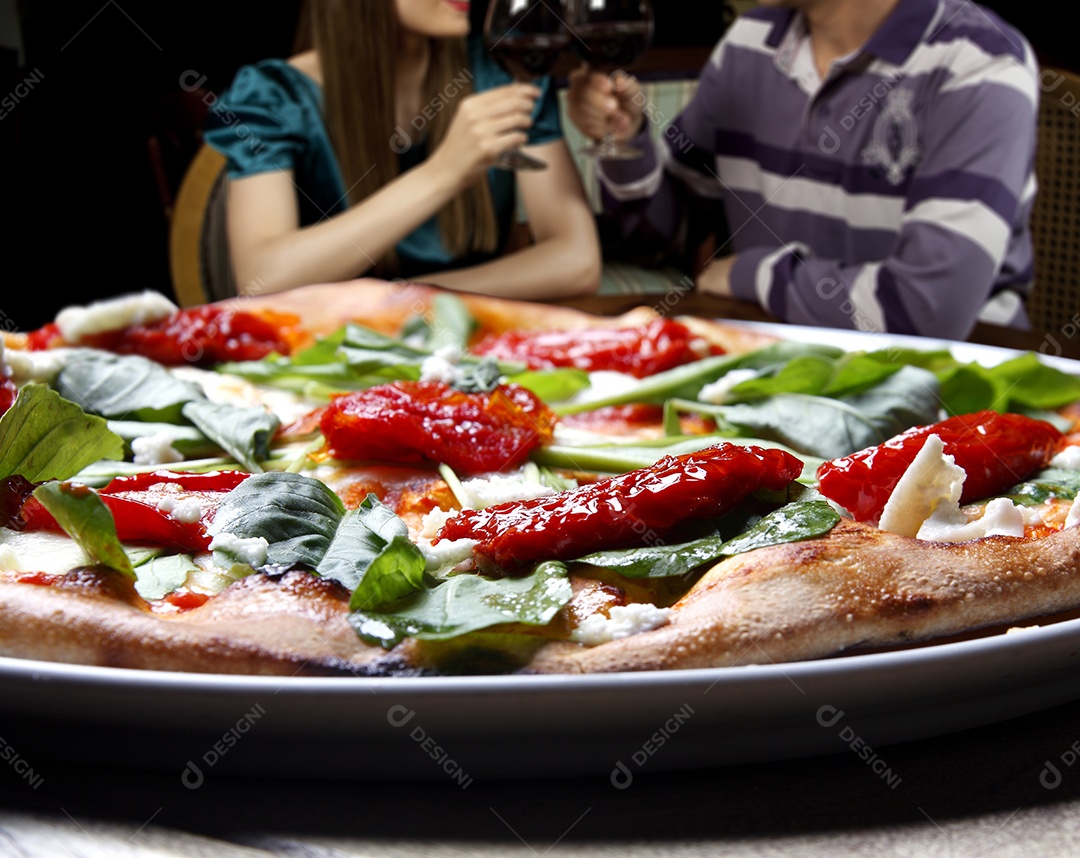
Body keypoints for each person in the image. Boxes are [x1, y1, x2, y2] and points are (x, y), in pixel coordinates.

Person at [566, 0, 1039, 339]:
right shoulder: (750, 43)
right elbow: (664, 239)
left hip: (959, 394)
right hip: (775, 366)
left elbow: (925, 312)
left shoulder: (981, 64)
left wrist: (754, 275)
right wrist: (625, 147)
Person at [203, 0, 601, 300]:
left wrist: (406, 299)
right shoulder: (274, 97)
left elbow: (577, 261)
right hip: (332, 363)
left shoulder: (503, 71)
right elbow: (262, 279)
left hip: (474, 352)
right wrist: (442, 174)